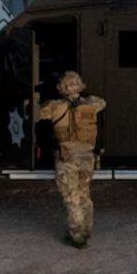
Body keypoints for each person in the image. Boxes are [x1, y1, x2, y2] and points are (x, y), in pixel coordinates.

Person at [36, 71, 106, 248]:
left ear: (61, 88)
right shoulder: (92, 104)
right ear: (80, 85)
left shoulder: (54, 107)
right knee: (84, 194)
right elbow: (102, 103)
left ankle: (78, 237)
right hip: (87, 157)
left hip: (67, 158)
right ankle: (87, 230)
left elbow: (37, 114)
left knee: (71, 197)